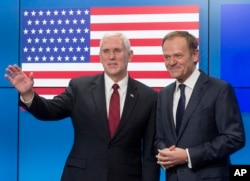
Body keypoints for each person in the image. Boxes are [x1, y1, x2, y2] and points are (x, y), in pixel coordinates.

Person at [4, 32, 160, 181]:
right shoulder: (80, 87)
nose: (111, 56)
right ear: (100, 57)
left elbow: (149, 155)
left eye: (117, 51)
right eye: (106, 51)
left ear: (130, 55)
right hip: (81, 175)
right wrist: (28, 95)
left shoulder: (148, 97)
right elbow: (50, 110)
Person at [154, 31, 245, 181]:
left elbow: (234, 138)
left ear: (195, 55)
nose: (171, 62)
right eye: (167, 57)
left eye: (178, 56)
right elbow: (159, 137)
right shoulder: (164, 94)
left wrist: (188, 155)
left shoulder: (219, 89)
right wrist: (165, 152)